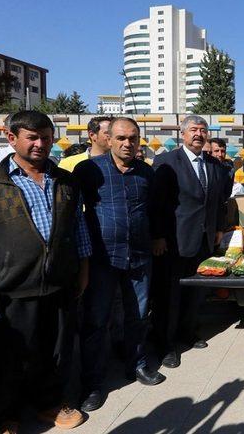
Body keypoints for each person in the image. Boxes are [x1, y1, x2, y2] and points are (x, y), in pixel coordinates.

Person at [0, 110, 90, 431]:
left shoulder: (65, 180)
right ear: (11, 138)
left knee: (56, 351)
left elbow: (79, 227)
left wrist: (83, 268)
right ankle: (8, 414)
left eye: (45, 138)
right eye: (32, 137)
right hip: (11, 286)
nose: (40, 144)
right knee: (11, 356)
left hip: (60, 282)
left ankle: (49, 404)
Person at [75, 117, 164, 413]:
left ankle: (136, 365)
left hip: (139, 257)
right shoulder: (88, 171)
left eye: (134, 138)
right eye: (122, 138)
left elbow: (154, 210)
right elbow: (75, 215)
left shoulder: (146, 173)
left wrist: (157, 237)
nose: (128, 144)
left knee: (138, 316)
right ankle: (93, 383)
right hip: (102, 259)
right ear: (108, 140)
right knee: (97, 321)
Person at [152, 116, 228, 368]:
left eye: (203, 130)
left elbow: (218, 201)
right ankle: (166, 344)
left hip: (205, 241)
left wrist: (218, 229)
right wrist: (159, 236)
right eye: (193, 130)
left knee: (196, 294)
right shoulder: (167, 162)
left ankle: (187, 333)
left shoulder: (214, 165)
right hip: (175, 240)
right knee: (169, 295)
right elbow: (158, 203)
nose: (198, 134)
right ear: (182, 134)